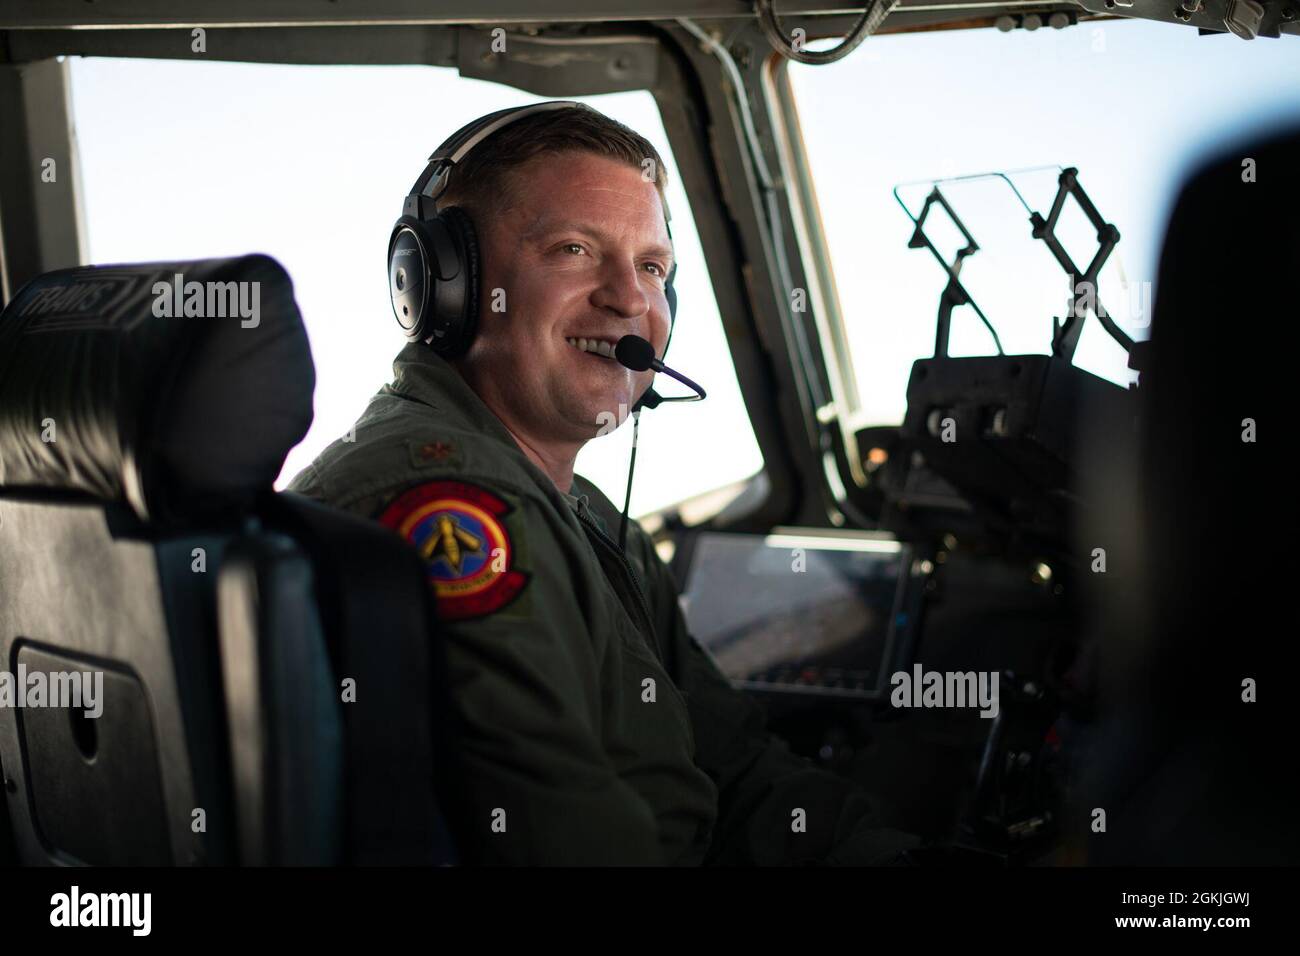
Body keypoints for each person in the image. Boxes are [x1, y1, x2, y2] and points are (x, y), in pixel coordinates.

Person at [288, 101, 919, 865]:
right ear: (444, 283)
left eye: (652, 267)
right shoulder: (456, 507)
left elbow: (738, 767)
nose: (631, 299)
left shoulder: (579, 509)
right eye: (575, 250)